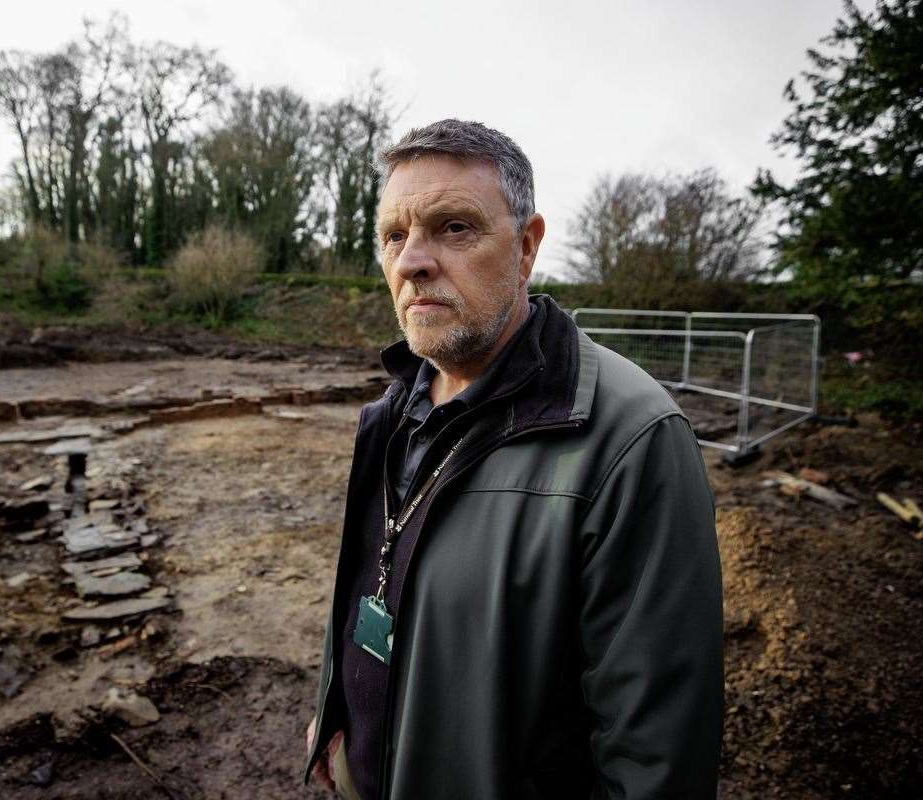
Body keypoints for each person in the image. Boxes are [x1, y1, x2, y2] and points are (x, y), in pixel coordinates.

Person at [302, 119, 723, 800]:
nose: (411, 261)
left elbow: (657, 757)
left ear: (526, 248)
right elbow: (374, 585)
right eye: (393, 236)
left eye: (454, 228)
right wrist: (335, 715)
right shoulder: (393, 411)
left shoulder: (630, 439)